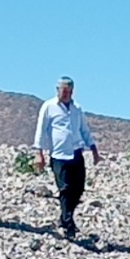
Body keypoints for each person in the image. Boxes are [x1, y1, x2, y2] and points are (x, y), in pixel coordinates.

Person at [34, 77, 100, 237]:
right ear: (57, 90)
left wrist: (93, 149)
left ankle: (65, 218)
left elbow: (84, 130)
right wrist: (39, 153)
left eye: (69, 91)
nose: (66, 94)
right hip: (59, 155)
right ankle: (68, 224)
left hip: (77, 153)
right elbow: (41, 130)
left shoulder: (76, 108)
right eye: (63, 91)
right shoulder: (49, 107)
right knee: (65, 189)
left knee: (78, 189)